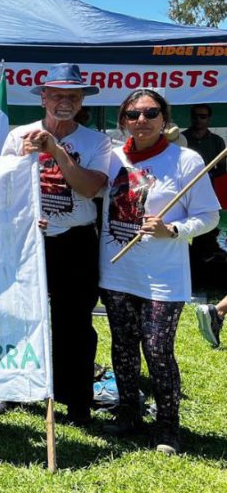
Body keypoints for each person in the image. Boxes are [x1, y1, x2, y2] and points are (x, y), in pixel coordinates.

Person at [0, 63, 110, 426]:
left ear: (82, 99)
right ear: (43, 98)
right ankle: (8, 388)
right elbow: (1, 190)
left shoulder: (97, 141)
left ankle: (76, 399)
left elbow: (89, 188)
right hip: (26, 238)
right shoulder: (17, 135)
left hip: (75, 241)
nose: (63, 102)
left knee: (74, 322)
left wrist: (55, 150)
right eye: (56, 95)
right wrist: (25, 160)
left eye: (72, 95)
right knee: (16, 315)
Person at [100, 89, 220, 454]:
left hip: (162, 276)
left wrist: (174, 230)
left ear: (164, 119)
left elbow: (209, 216)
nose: (142, 121)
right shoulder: (111, 157)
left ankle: (168, 426)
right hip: (116, 270)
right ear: (123, 121)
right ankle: (128, 413)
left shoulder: (185, 160)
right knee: (122, 347)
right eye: (134, 114)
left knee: (157, 348)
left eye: (151, 113)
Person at [180, 104, 226, 271]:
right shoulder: (181, 140)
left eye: (203, 116)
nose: (198, 119)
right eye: (195, 116)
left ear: (209, 118)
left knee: (205, 229)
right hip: (183, 191)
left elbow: (222, 170)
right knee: (181, 228)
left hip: (207, 192)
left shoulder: (217, 141)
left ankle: (204, 268)